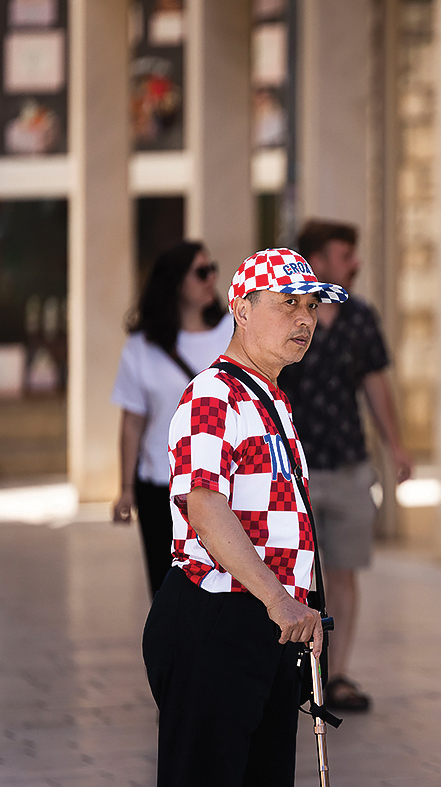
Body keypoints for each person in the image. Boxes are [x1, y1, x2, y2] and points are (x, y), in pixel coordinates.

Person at [142, 248, 348, 787]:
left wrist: (298, 605)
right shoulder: (213, 394)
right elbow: (204, 505)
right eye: (288, 304)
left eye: (312, 306)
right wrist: (279, 599)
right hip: (217, 619)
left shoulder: (271, 400)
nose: (305, 319)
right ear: (241, 309)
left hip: (269, 625)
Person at [278, 220, 414, 713]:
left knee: (343, 575)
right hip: (294, 469)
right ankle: (288, 675)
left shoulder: (360, 316)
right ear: (316, 261)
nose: (355, 263)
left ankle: (334, 677)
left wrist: (395, 447)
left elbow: (376, 383)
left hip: (350, 466)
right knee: (289, 575)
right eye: (344, 255)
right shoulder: (285, 316)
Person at [111, 241, 233, 597]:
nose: (212, 279)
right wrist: (126, 489)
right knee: (168, 590)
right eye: (201, 272)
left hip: (225, 484)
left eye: (212, 269)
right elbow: (132, 422)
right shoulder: (141, 347)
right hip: (160, 488)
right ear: (175, 283)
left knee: (225, 589)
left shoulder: (233, 332)